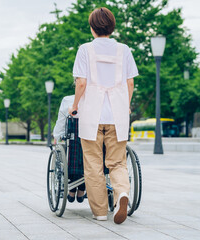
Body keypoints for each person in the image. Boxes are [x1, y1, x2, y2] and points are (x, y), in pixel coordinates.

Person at [69, 7, 138, 224]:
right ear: (112, 26)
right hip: (117, 114)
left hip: (92, 114)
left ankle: (99, 212)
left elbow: (81, 82)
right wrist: (126, 105)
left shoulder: (85, 50)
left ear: (92, 28)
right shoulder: (124, 50)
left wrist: (74, 106)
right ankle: (122, 195)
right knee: (117, 162)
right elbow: (130, 82)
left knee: (93, 164)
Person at [53, 95, 86, 203]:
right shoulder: (101, 97)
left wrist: (57, 135)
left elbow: (62, 120)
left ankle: (73, 188)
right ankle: (82, 187)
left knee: (72, 152)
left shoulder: (68, 100)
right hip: (97, 133)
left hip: (74, 136)